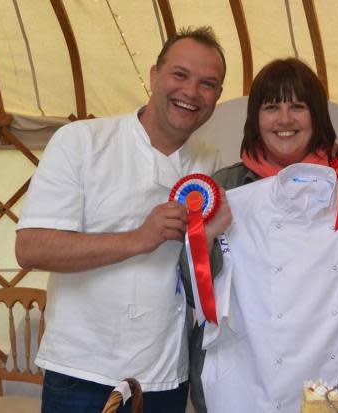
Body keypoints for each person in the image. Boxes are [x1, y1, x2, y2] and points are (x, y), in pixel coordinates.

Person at [185, 58, 338, 413]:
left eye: (298, 106)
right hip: (247, 366)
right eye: (271, 107)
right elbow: (195, 294)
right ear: (255, 118)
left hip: (329, 370)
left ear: (317, 117)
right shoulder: (225, 187)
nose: (284, 120)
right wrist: (203, 239)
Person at [15, 26, 230, 413]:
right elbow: (30, 247)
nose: (191, 92)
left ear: (217, 96)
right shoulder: (81, 141)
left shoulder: (210, 160)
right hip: (83, 372)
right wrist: (137, 238)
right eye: (180, 75)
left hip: (167, 376)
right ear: (153, 75)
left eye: (208, 83)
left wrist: (328, 153)